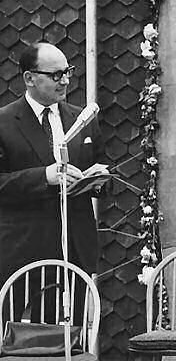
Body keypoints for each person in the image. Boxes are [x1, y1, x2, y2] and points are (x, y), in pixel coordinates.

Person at [0, 42, 104, 323]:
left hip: (75, 248)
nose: (66, 80)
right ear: (29, 78)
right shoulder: (4, 122)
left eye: (67, 71)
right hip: (24, 250)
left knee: (73, 339)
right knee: (17, 339)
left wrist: (98, 180)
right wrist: (44, 177)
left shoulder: (82, 118)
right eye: (56, 75)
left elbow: (101, 164)